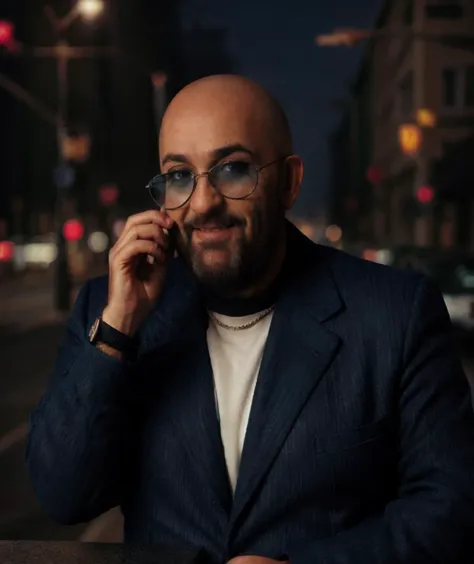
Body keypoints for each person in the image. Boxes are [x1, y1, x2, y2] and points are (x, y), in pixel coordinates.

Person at [26, 75, 474, 564]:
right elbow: (63, 496)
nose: (202, 203)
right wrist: (119, 328)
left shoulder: (396, 313)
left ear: (289, 182)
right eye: (179, 176)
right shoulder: (111, 309)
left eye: (233, 169)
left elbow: (451, 511)